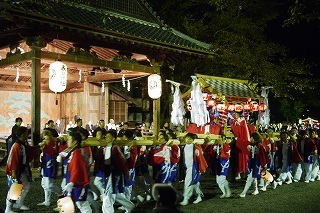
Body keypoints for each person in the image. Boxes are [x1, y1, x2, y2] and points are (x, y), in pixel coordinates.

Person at [5, 126, 39, 213]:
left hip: (22, 169)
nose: (28, 134)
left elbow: (29, 151)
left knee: (26, 186)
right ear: (23, 134)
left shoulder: (23, 143)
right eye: (27, 132)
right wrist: (13, 172)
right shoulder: (16, 145)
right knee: (14, 188)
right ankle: (8, 208)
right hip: (17, 170)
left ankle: (19, 203)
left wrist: (37, 147)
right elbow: (14, 160)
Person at [102, 129, 135, 213]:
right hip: (110, 174)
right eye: (106, 136)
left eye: (109, 137)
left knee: (108, 196)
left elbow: (121, 161)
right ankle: (131, 207)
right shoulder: (108, 147)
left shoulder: (114, 148)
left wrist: (125, 172)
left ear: (113, 138)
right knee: (115, 194)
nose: (106, 138)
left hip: (113, 174)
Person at [62, 128, 92, 213]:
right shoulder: (76, 151)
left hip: (78, 182)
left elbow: (77, 169)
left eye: (69, 140)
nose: (67, 141)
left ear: (75, 142)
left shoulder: (77, 153)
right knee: (79, 202)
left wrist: (72, 182)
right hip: (76, 181)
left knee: (82, 203)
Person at [179, 133, 208, 206]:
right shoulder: (184, 146)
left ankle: (186, 198)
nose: (187, 140)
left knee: (188, 182)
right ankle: (198, 196)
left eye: (190, 139)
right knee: (195, 182)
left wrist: (201, 168)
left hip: (193, 167)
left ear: (193, 140)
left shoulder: (196, 147)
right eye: (187, 138)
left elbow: (200, 158)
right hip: (187, 167)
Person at [239, 132, 269, 198]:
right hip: (252, 163)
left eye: (251, 137)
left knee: (250, 178)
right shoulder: (251, 145)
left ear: (254, 138)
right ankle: (256, 190)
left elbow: (263, 156)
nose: (250, 138)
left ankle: (243, 192)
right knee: (254, 177)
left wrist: (265, 165)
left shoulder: (259, 146)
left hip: (258, 163)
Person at [37, 128, 61, 207]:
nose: (44, 138)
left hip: (49, 162)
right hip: (46, 162)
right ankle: (47, 201)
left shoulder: (49, 140)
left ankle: (61, 193)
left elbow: (42, 144)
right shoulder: (51, 141)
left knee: (49, 184)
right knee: (44, 184)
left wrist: (40, 145)